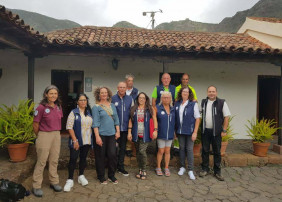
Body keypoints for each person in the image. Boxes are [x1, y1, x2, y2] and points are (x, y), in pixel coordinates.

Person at [32, 85, 63, 197]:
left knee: (54, 159)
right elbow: (35, 124)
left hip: (56, 134)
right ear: (46, 94)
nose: (53, 95)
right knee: (42, 161)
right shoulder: (40, 107)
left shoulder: (58, 106)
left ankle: (53, 182)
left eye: (55, 93)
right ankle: (36, 186)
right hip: (44, 134)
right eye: (51, 93)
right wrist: (40, 135)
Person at [199, 85, 231, 181]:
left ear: (216, 93)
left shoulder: (222, 102)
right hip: (205, 131)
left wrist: (224, 130)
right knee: (205, 151)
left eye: (213, 91)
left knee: (217, 151)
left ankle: (217, 171)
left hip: (216, 132)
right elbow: (198, 113)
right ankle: (205, 169)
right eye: (209, 91)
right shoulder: (203, 102)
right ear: (207, 93)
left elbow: (226, 117)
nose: (211, 93)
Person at [63, 94, 93, 192]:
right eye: (81, 100)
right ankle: (70, 179)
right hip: (76, 140)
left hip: (87, 140)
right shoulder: (73, 112)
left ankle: (81, 175)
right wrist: (75, 140)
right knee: (73, 158)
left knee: (83, 159)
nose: (83, 102)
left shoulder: (89, 112)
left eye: (85, 100)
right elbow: (69, 127)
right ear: (77, 102)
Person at [92, 87, 120, 184]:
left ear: (108, 94)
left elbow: (116, 120)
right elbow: (95, 123)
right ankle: (101, 176)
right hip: (101, 135)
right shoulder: (96, 107)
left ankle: (111, 175)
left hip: (112, 134)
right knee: (100, 156)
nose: (104, 94)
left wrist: (118, 131)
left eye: (105, 92)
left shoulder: (112, 105)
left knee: (112, 155)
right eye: (102, 93)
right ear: (98, 95)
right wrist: (97, 136)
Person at [128, 92, 157, 180]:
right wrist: (129, 132)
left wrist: (155, 130)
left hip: (146, 134)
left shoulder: (150, 108)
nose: (141, 99)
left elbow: (155, 119)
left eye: (143, 98)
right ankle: (140, 169)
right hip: (136, 134)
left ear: (146, 99)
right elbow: (130, 120)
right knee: (138, 152)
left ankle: (144, 169)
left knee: (142, 151)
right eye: (140, 98)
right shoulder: (134, 109)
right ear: (137, 99)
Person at [175, 87, 200, 180]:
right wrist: (175, 131)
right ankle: (182, 167)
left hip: (190, 131)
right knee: (181, 149)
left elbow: (197, 118)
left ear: (189, 93)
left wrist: (195, 132)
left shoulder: (193, 104)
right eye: (183, 91)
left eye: (187, 92)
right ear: (181, 93)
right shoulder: (177, 103)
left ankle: (190, 170)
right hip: (180, 131)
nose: (185, 93)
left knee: (189, 149)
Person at [112, 82, 133, 176]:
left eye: (124, 87)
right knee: (113, 149)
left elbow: (131, 114)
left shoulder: (130, 98)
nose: (122, 89)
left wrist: (129, 130)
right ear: (117, 88)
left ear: (126, 88)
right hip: (114, 129)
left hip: (125, 129)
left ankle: (121, 167)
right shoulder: (112, 98)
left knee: (123, 148)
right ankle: (112, 166)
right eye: (120, 87)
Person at [154, 91, 175, 177]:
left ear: (170, 99)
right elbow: (154, 121)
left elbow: (176, 122)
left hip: (170, 134)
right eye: (164, 97)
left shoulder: (173, 109)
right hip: (161, 134)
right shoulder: (157, 108)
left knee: (167, 151)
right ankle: (158, 167)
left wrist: (175, 132)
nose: (166, 99)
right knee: (161, 151)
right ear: (161, 99)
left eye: (167, 97)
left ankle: (166, 167)